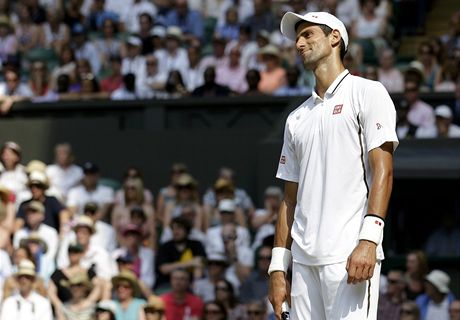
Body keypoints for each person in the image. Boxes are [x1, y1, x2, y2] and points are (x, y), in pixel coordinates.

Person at [268, 11, 398, 320]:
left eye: (308, 34)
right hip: (301, 263)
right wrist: (277, 268)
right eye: (297, 38)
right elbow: (289, 199)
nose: (299, 43)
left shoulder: (368, 92)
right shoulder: (296, 118)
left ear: (335, 38)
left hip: (348, 254)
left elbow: (384, 170)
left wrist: (369, 239)